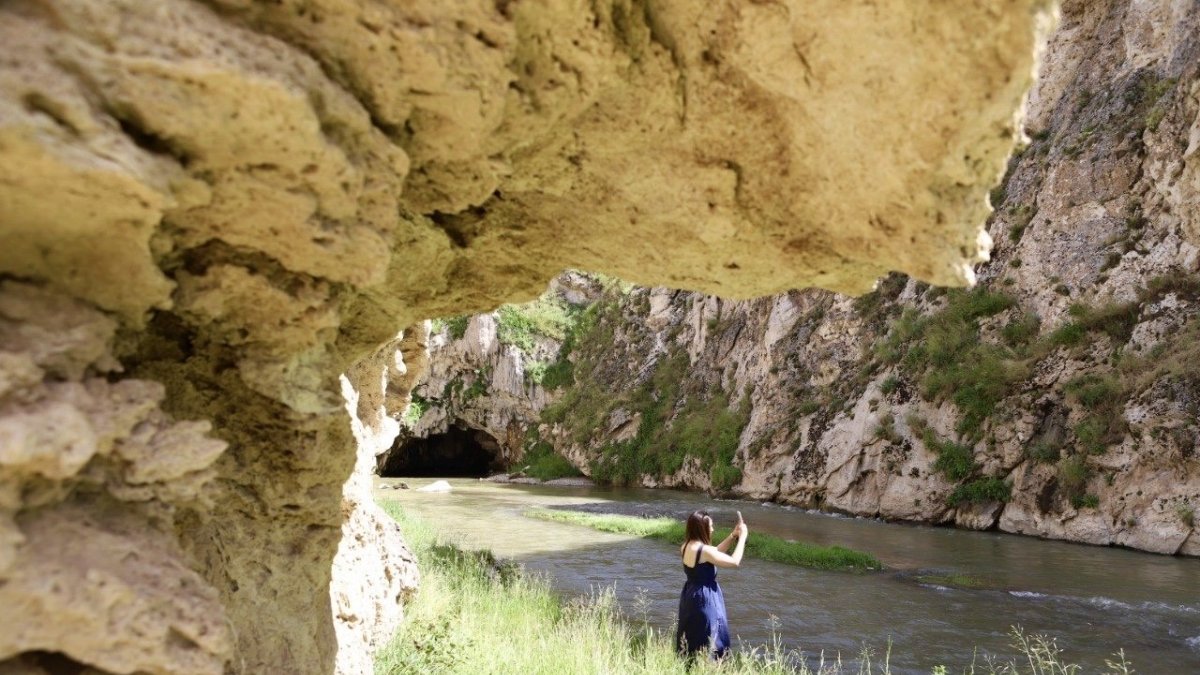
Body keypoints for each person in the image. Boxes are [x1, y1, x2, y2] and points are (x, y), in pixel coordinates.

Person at [674, 510, 748, 660]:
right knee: (713, 634)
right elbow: (735, 561)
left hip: (690, 596)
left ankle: (690, 664)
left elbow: (715, 552)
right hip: (706, 598)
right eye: (711, 526)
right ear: (702, 528)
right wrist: (743, 537)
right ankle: (711, 666)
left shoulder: (686, 546)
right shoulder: (704, 551)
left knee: (693, 633)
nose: (712, 529)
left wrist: (733, 536)